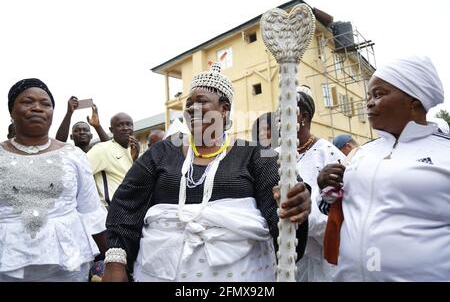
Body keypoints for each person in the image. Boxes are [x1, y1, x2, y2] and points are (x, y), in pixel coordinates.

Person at [102, 63, 311, 282]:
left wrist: (296, 199)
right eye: (189, 104)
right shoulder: (162, 152)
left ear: (224, 108)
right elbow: (126, 203)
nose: (191, 108)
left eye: (201, 102)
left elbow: (285, 200)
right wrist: (116, 262)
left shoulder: (255, 154)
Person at [317, 55, 450, 281]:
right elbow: (331, 210)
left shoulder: (445, 152)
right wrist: (326, 188)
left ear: (414, 100)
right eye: (368, 96)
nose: (368, 103)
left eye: (378, 95)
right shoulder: (361, 153)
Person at [0, 78, 107, 281]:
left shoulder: (74, 155)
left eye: (45, 104)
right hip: (7, 265)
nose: (37, 108)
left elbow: (90, 211)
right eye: (27, 102)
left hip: (67, 264)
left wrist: (113, 261)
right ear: (11, 111)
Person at [290, 88, 345, 282]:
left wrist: (302, 221)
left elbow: (338, 214)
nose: (279, 120)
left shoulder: (329, 155)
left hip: (319, 263)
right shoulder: (275, 154)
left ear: (303, 116)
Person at [87, 112, 140, 207]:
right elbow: (80, 174)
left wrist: (135, 160)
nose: (125, 128)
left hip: (133, 209)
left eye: (129, 124)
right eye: (120, 125)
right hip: (112, 210)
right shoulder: (102, 149)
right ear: (111, 130)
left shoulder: (132, 152)